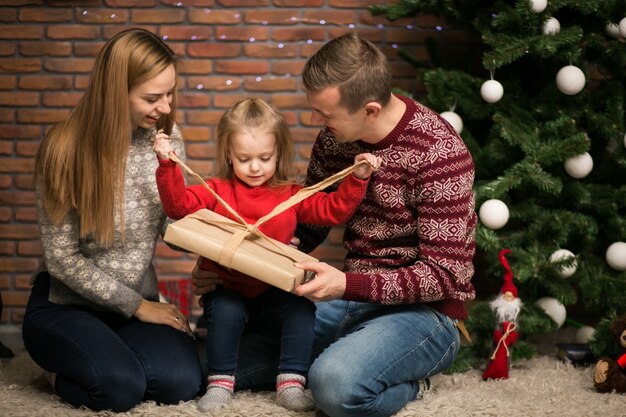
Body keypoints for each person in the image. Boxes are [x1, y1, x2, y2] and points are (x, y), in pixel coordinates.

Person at [194, 32, 477, 417]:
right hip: (350, 299)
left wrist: (346, 284)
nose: (316, 123)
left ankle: (410, 381)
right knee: (210, 364)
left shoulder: (439, 153)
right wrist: (231, 261)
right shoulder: (335, 139)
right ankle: (355, 353)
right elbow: (305, 223)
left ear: (371, 110)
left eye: (324, 114)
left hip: (424, 313)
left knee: (334, 387)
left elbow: (445, 275)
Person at [152, 97, 380, 412]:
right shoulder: (216, 191)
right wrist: (167, 166)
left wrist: (358, 178)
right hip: (229, 289)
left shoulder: (289, 195)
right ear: (229, 154)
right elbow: (177, 206)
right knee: (227, 311)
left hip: (275, 290)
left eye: (265, 157)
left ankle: (290, 381)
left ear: (278, 154)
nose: (255, 167)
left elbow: (332, 210)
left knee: (301, 307)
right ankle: (220, 382)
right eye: (244, 158)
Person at [22, 28, 203, 412]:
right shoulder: (62, 151)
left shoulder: (166, 139)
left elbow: (172, 228)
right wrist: (138, 307)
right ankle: (56, 370)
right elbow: (61, 259)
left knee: (182, 383)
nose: (166, 108)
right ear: (114, 92)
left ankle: (111, 356)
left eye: (170, 93)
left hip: (137, 300)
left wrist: (224, 237)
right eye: (153, 98)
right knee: (119, 390)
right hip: (65, 305)